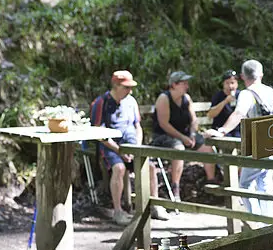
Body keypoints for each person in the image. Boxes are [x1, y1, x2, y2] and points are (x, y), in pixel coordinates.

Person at [209, 59, 273, 217]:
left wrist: (223, 131)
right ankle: (267, 221)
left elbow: (239, 113)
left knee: (244, 185)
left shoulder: (247, 93)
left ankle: (256, 222)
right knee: (264, 183)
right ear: (261, 74)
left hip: (258, 146)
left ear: (242, 76)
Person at [91, 70, 169, 225]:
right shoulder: (101, 102)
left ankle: (154, 205)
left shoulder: (131, 101)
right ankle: (118, 211)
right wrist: (119, 150)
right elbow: (98, 132)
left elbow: (137, 126)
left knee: (151, 168)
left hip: (132, 144)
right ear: (116, 85)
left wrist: (137, 147)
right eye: (126, 87)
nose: (129, 91)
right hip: (110, 146)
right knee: (119, 168)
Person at [151, 71, 218, 201]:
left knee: (207, 146)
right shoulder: (164, 98)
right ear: (174, 85)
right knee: (179, 149)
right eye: (184, 83)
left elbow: (193, 120)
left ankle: (211, 183)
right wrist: (183, 138)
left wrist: (192, 134)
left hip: (186, 135)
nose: (187, 86)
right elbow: (164, 124)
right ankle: (175, 187)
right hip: (164, 136)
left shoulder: (186, 98)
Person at [206, 70, 241, 137]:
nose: (230, 86)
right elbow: (210, 115)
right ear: (223, 84)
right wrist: (225, 101)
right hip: (220, 130)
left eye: (232, 83)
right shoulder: (218, 96)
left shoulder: (240, 95)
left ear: (237, 83)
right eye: (227, 83)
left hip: (237, 131)